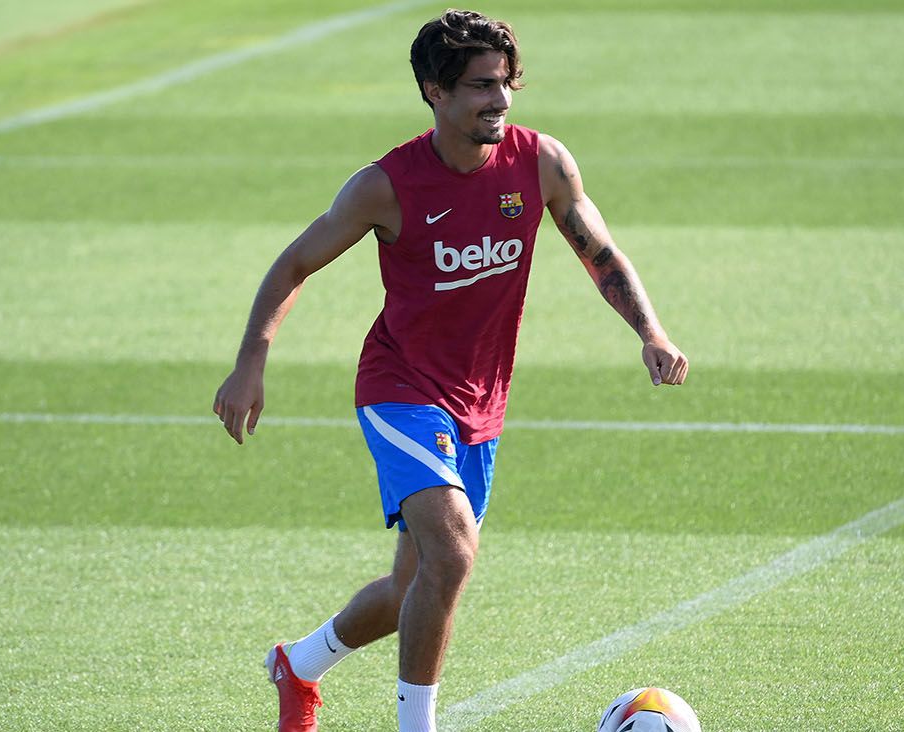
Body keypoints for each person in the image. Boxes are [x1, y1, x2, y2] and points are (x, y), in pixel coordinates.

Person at [212, 9, 688, 732]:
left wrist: (649, 331)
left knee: (416, 581)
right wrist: (251, 363)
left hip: (481, 404)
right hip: (399, 389)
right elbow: (294, 263)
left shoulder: (541, 163)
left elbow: (602, 255)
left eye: (504, 85)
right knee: (456, 552)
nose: (498, 100)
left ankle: (299, 665)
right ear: (435, 91)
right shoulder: (387, 186)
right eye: (479, 87)